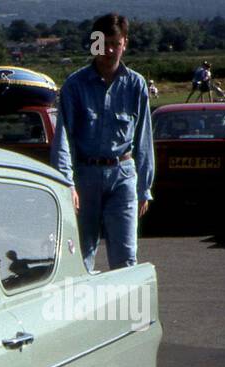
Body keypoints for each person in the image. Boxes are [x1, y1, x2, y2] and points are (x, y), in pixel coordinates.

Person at [51, 12, 154, 272]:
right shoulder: (74, 86)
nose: (108, 50)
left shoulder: (136, 85)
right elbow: (63, 138)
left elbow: (143, 140)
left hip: (122, 178)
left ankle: (126, 312)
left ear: (125, 44)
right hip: (85, 178)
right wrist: (67, 183)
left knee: (126, 257)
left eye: (115, 44)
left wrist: (144, 187)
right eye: (102, 43)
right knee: (80, 257)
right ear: (93, 43)